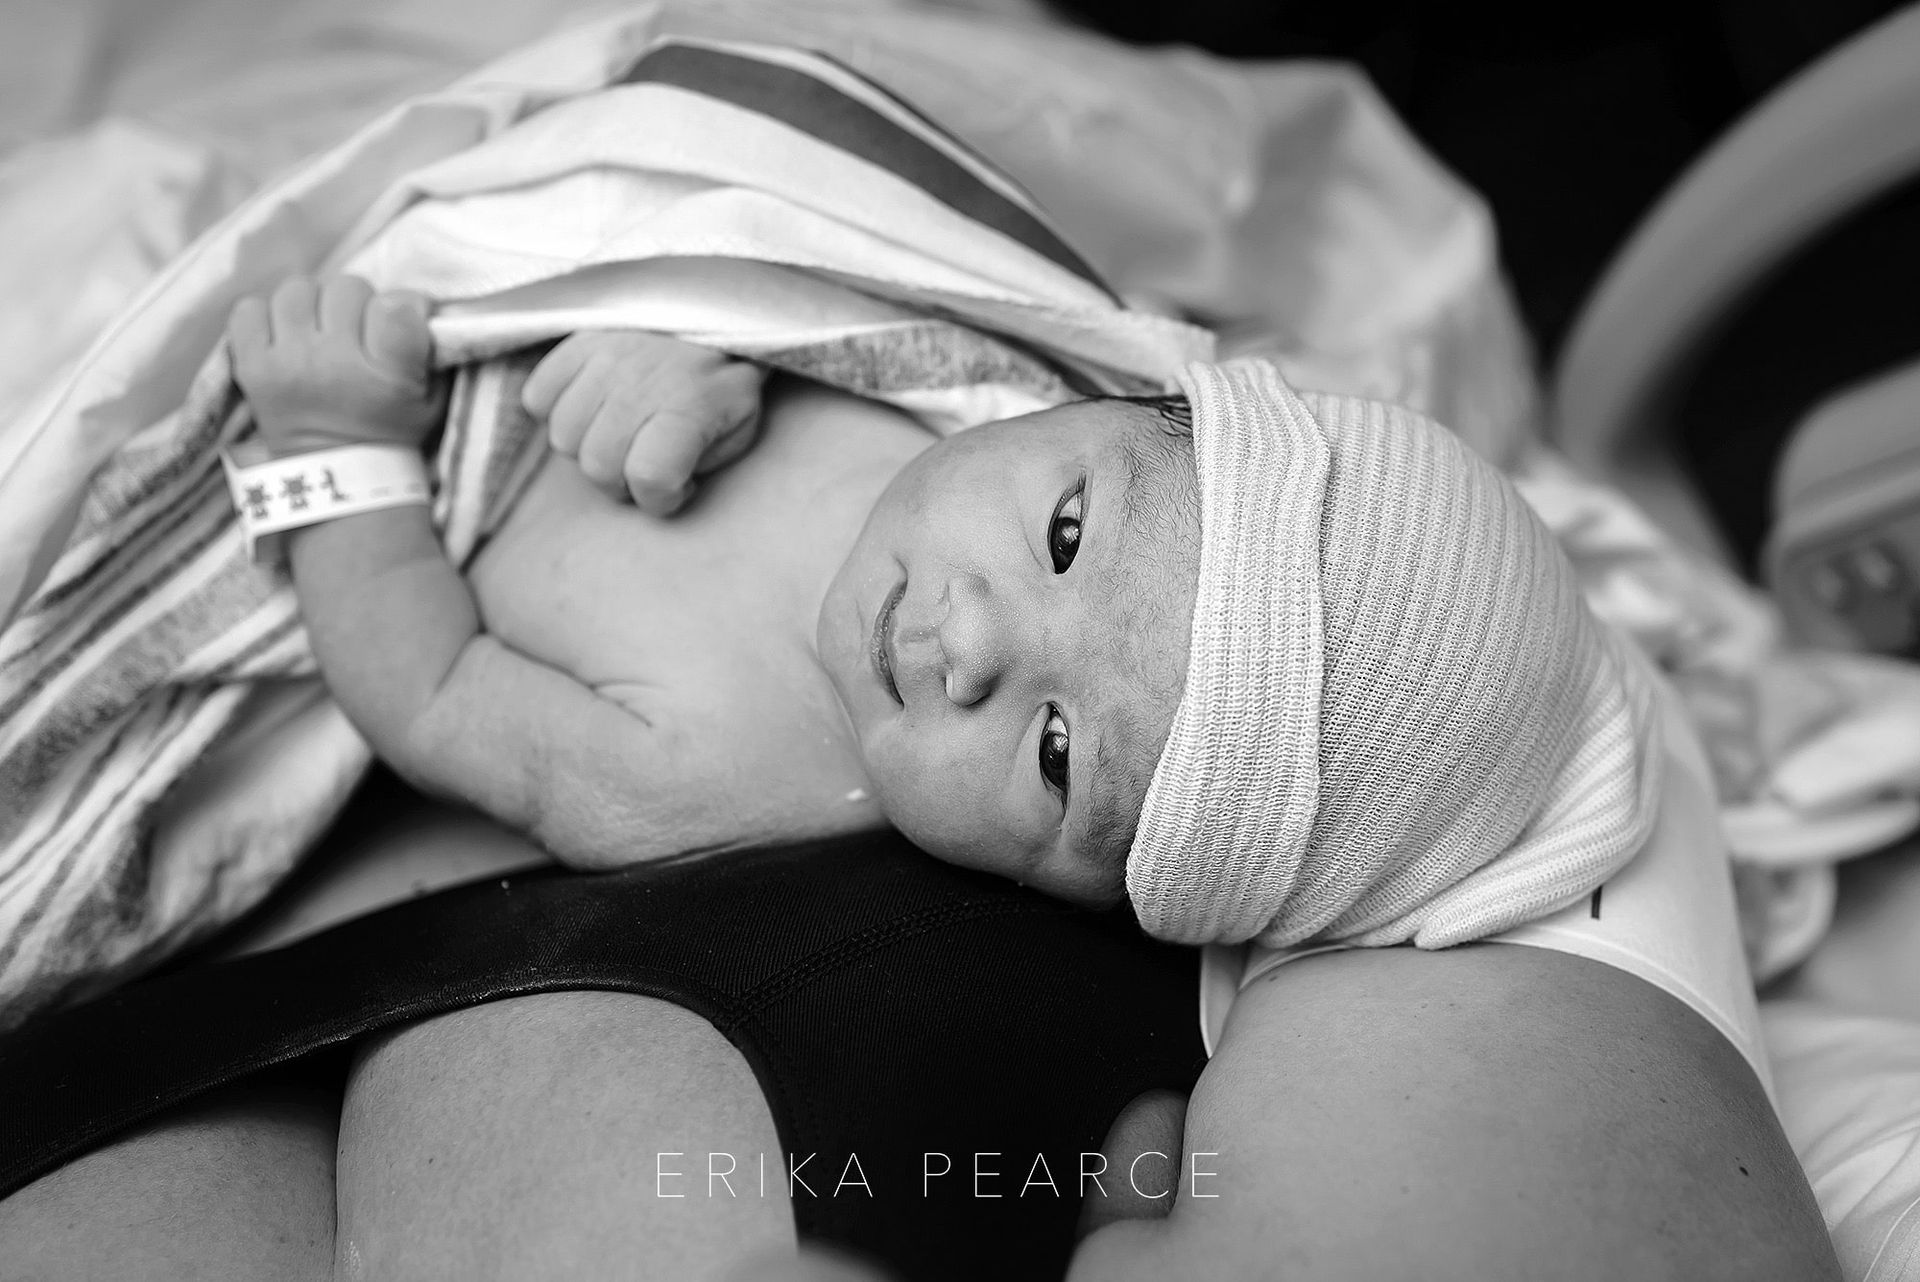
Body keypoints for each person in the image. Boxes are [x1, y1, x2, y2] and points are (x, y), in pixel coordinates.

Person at [218, 272, 1663, 956]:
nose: (973, 647)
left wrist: (331, 446)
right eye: (1070, 532)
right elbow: (759, 252)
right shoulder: (944, 389)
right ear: (1103, 405)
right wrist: (695, 345)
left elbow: (428, 690)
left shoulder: (708, 782)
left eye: (1056, 757)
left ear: (1071, 894)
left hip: (361, 481)